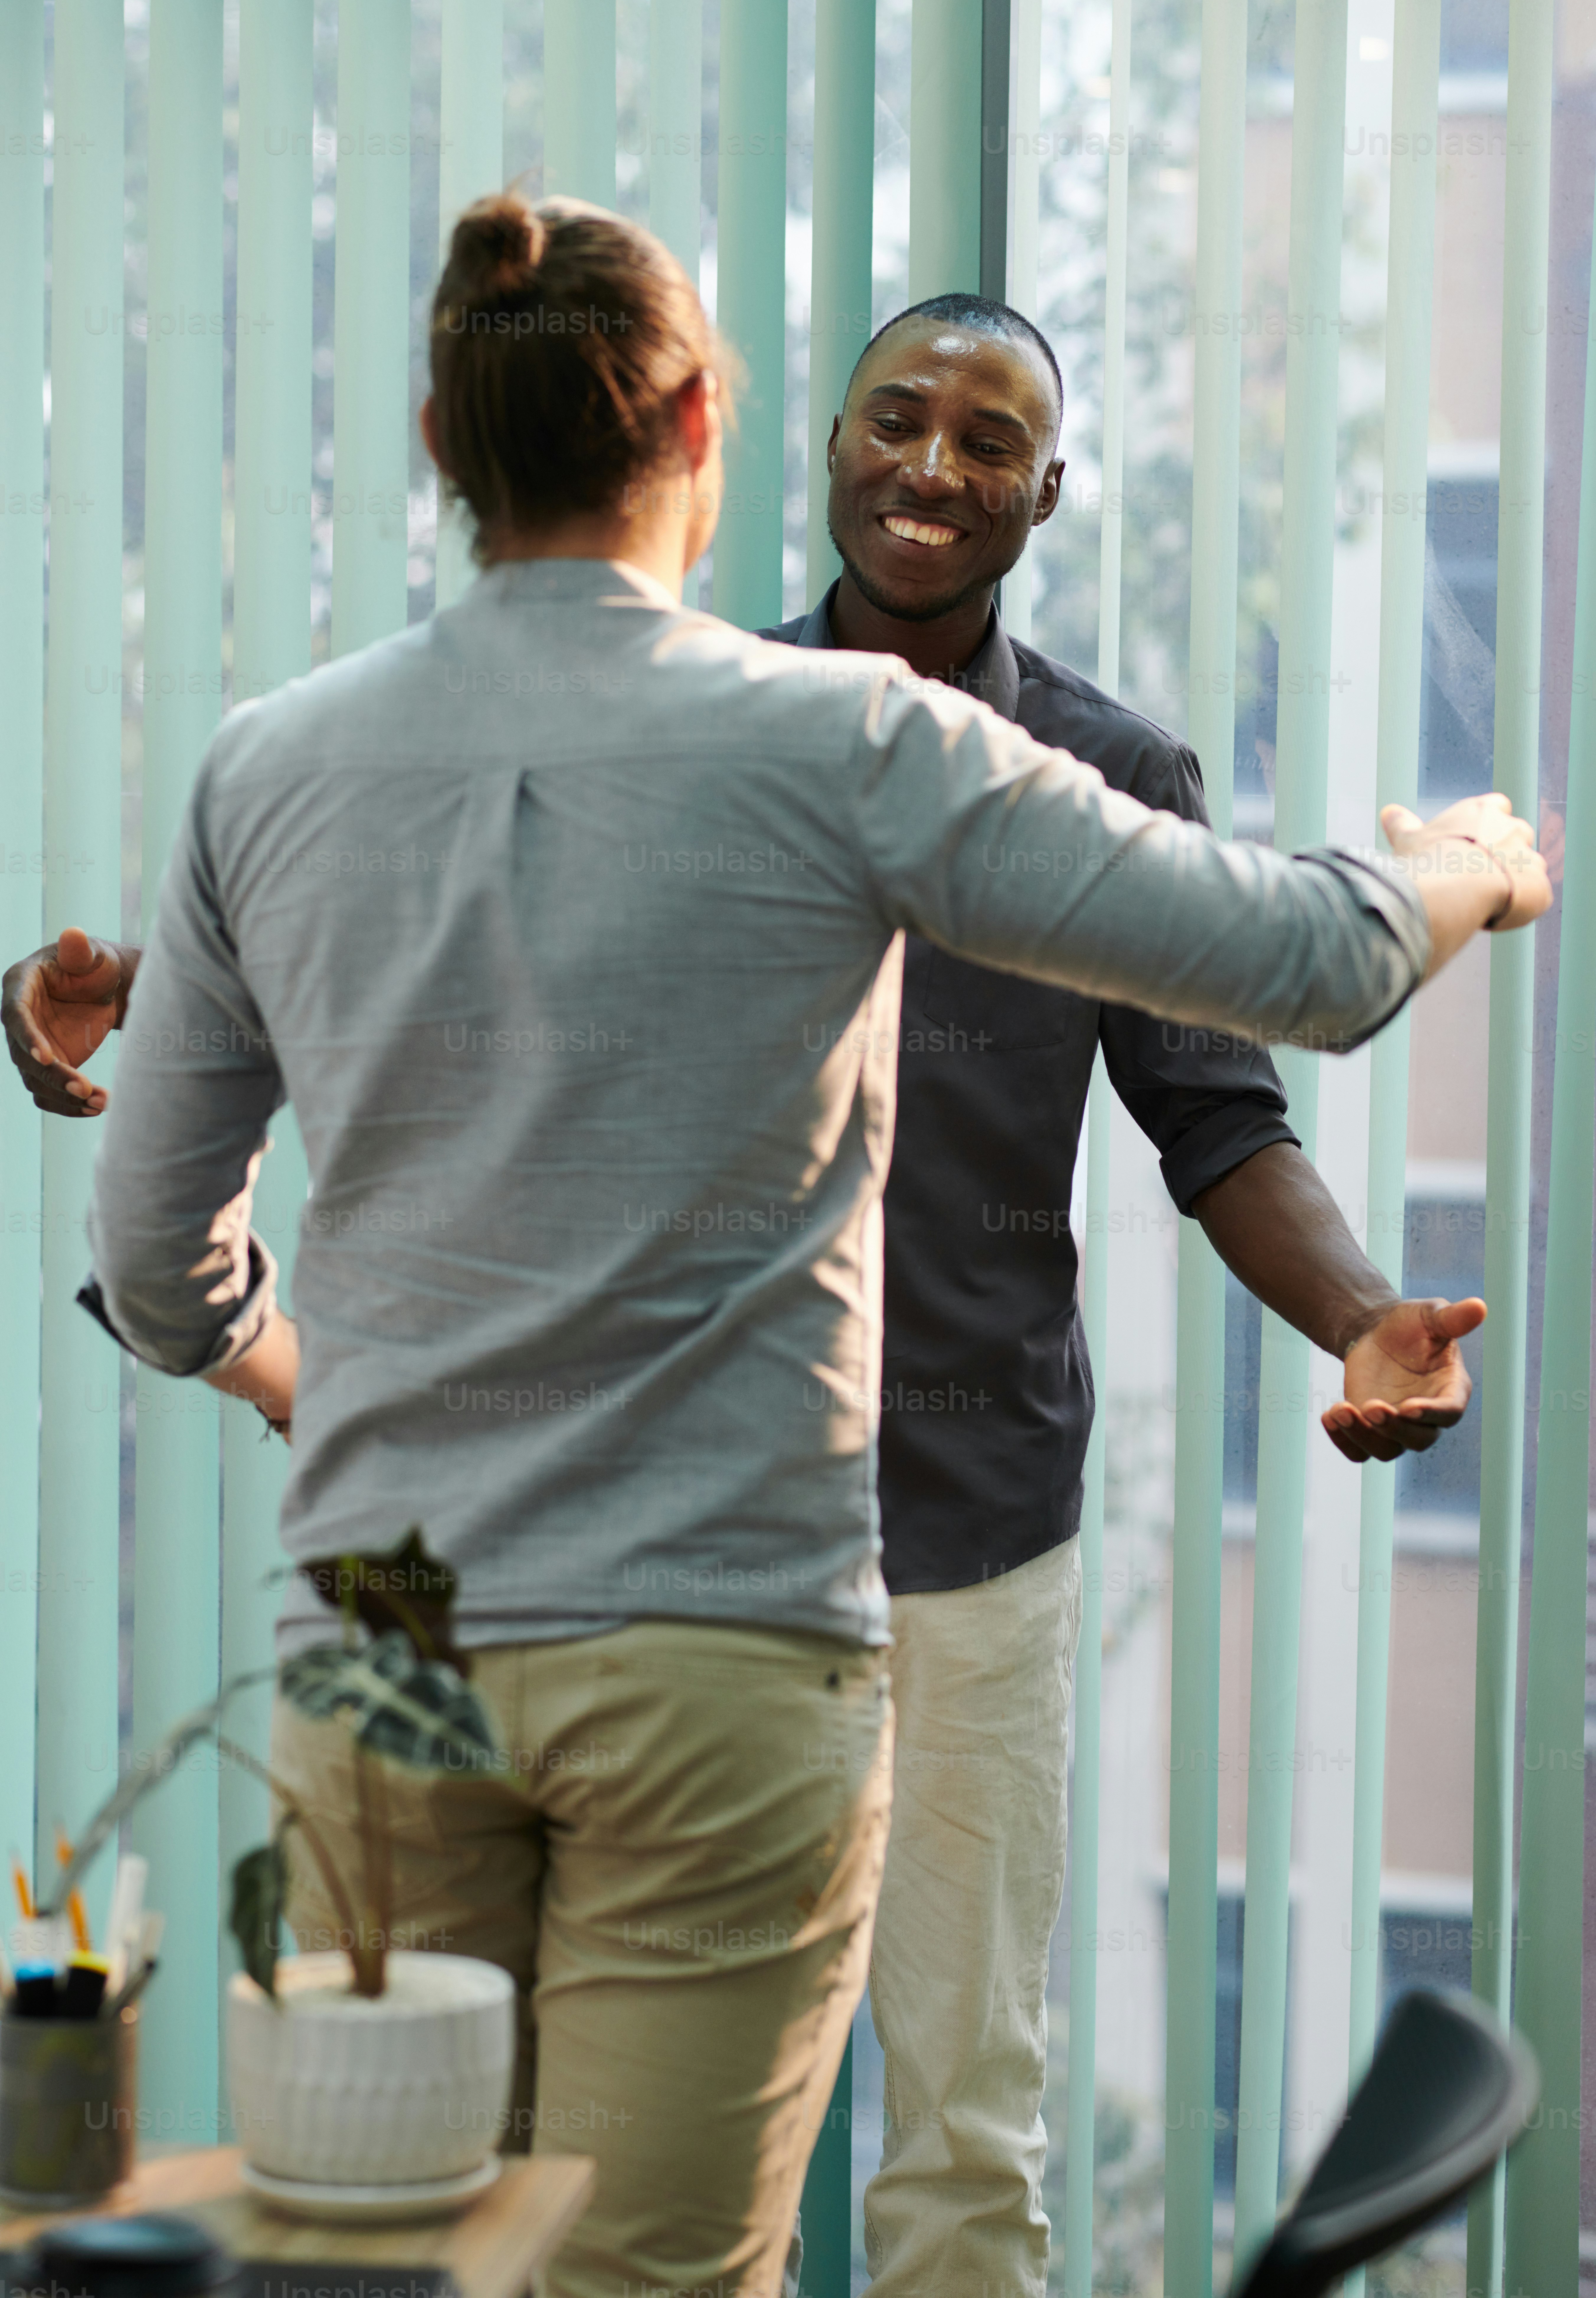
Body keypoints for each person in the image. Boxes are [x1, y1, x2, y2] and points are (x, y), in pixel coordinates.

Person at [1, 199, 1546, 2298]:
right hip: (723, 1637)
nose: (930, 469)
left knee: (402, 2257)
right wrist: (1455, 864)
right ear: (729, 428)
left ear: (444, 432)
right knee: (634, 2271)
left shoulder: (269, 766)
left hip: (400, 1613)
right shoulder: (835, 747)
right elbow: (1320, 959)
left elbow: (169, 1276)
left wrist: (319, 1330)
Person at [749, 294, 1496, 2298]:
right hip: (701, 1542)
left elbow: (1216, 1114)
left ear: (1045, 493)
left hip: (977, 1551)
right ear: (826, 445)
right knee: (664, 2137)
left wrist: (1354, 1312)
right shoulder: (701, 719)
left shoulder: (1112, 768)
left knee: (965, 2126)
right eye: (895, 420)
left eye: (985, 441)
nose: (931, 466)